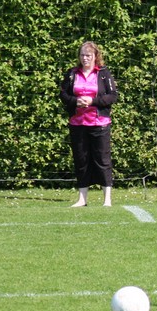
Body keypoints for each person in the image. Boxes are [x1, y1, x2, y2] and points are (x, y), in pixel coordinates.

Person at [59, 41, 118, 207]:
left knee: (102, 160)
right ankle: (82, 199)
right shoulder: (72, 73)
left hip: (99, 123)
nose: (85, 58)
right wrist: (75, 101)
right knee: (81, 160)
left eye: (88, 55)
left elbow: (112, 96)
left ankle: (107, 199)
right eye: (82, 55)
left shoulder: (104, 74)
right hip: (78, 123)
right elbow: (63, 95)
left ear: (95, 56)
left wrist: (93, 101)